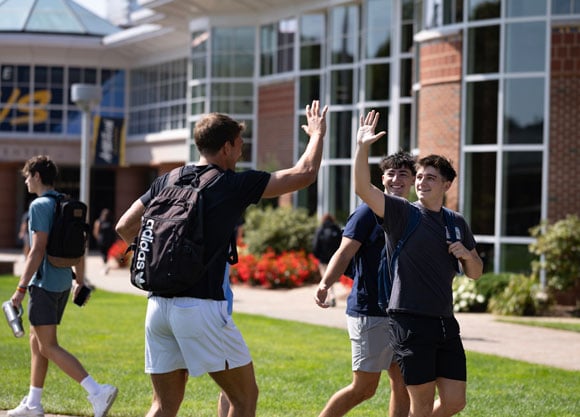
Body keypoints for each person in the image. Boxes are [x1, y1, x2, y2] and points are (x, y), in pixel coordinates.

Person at [115, 100, 328, 417]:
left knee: (163, 405)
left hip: (157, 307)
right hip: (200, 308)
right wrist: (317, 134)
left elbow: (124, 226)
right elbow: (305, 173)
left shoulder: (168, 180)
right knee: (244, 397)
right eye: (240, 145)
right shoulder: (231, 184)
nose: (241, 152)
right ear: (226, 147)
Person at [353, 111, 483, 417]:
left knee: (454, 401)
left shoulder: (456, 221)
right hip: (409, 321)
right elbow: (362, 188)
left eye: (430, 178)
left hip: (444, 321)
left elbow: (475, 273)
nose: (422, 182)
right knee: (421, 405)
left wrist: (468, 254)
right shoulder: (401, 213)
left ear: (447, 185)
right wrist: (362, 147)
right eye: (420, 176)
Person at [8, 155, 118, 417]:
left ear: (36, 176)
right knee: (37, 343)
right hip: (61, 284)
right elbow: (79, 247)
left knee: (48, 345)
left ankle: (97, 391)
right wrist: (79, 280)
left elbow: (37, 250)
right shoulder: (65, 203)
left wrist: (21, 288)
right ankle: (33, 404)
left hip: (44, 284)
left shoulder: (39, 205)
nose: (25, 181)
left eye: (27, 176)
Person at [314, 151, 415, 417]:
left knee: (402, 383)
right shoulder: (366, 213)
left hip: (401, 312)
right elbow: (344, 252)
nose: (396, 179)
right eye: (391, 173)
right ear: (382, 178)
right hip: (369, 310)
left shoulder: (413, 215)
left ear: (414, 181)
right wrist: (325, 284)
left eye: (403, 174)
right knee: (364, 388)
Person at [312, 213, 342, 307]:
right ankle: (332, 296)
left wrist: (317, 256)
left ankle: (330, 296)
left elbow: (316, 245)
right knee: (330, 278)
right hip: (334, 258)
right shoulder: (336, 229)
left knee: (325, 278)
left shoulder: (321, 230)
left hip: (323, 259)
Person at [92, 208, 116, 274]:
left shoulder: (111, 221)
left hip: (109, 241)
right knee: (103, 255)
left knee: (108, 254)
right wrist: (98, 239)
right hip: (102, 241)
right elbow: (96, 231)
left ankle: (105, 266)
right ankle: (105, 267)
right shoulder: (99, 221)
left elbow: (113, 231)